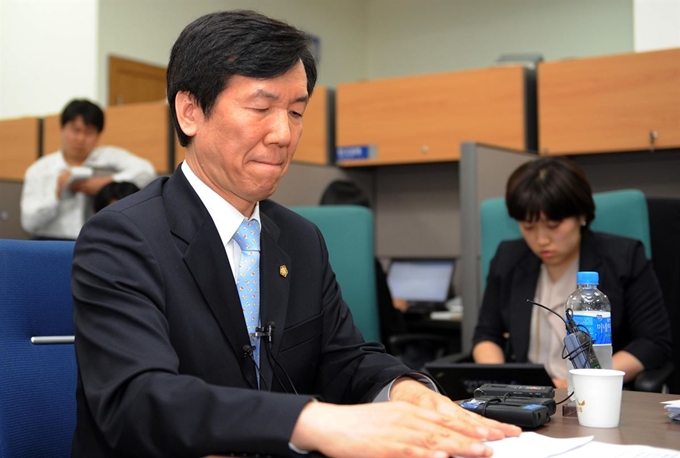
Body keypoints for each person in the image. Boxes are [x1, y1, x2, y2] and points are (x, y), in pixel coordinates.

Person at [71, 10, 519, 458]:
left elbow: (345, 357)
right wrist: (311, 421)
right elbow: (139, 399)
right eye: (261, 108)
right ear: (190, 111)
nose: (284, 134)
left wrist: (406, 391)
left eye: (296, 111)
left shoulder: (300, 239)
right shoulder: (122, 237)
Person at [472, 156, 672, 388]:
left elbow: (653, 342)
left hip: (596, 394)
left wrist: (579, 382)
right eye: (528, 226)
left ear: (581, 215)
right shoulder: (508, 257)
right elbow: (487, 335)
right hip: (527, 395)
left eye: (553, 225)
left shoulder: (623, 258)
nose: (541, 239)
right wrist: (504, 382)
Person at [20, 99, 155, 240]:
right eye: (75, 130)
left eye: (89, 133)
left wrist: (104, 183)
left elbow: (146, 172)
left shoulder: (108, 157)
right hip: (49, 243)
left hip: (96, 242)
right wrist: (57, 196)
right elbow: (28, 224)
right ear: (62, 128)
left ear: (98, 135)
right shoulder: (40, 170)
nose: (81, 138)